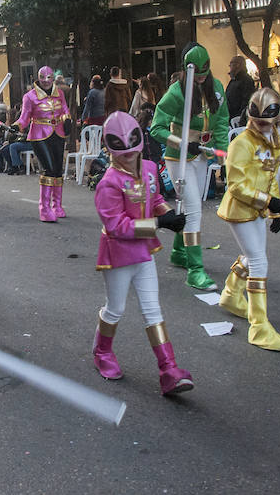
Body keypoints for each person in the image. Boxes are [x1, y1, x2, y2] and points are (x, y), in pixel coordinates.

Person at [92, 111, 191, 394]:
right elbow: (117, 226)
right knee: (116, 309)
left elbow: (156, 198)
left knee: (153, 310)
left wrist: (170, 215)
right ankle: (102, 353)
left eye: (132, 151)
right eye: (121, 152)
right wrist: (160, 223)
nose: (127, 157)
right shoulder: (108, 183)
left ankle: (169, 369)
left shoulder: (149, 168)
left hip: (144, 253)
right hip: (119, 254)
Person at [149, 43, 229, 290]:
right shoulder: (176, 93)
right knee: (194, 209)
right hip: (179, 158)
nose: (202, 78)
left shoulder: (216, 87)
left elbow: (222, 119)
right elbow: (156, 128)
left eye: (206, 72)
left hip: (204, 155)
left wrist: (222, 151)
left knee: (193, 205)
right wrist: (183, 143)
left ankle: (179, 252)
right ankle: (195, 270)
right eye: (198, 73)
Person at [216, 88, 280, 352]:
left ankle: (231, 295)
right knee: (259, 260)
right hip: (240, 210)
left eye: (266, 122)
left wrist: (276, 211)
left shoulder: (274, 138)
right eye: (257, 121)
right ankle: (259, 327)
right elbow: (235, 185)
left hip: (257, 209)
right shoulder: (242, 143)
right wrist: (268, 202)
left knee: (252, 255)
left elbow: (271, 177)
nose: (261, 126)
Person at [12, 66, 71, 222]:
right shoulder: (29, 97)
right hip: (39, 135)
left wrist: (67, 119)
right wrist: (16, 126)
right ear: (38, 78)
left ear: (53, 78)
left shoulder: (60, 93)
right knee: (49, 169)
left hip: (58, 133)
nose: (46, 81)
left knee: (58, 170)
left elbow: (65, 109)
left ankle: (56, 206)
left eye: (49, 77)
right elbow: (24, 118)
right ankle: (44, 209)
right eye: (43, 77)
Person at [225, 55, 256, 122]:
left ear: (237, 65)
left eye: (231, 64)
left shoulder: (246, 80)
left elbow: (247, 100)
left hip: (237, 118)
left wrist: (240, 117)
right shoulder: (233, 80)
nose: (229, 66)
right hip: (230, 117)